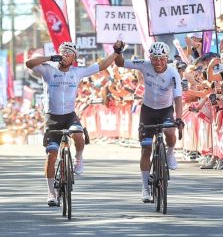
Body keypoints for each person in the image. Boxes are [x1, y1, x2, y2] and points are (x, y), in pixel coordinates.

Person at [25, 41, 122, 206]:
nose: (65, 55)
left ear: (74, 58)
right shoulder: (48, 70)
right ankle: (51, 192)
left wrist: (115, 52)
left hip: (69, 115)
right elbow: (29, 63)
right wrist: (49, 57)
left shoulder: (77, 72)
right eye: (62, 52)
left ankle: (78, 158)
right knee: (51, 155)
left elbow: (102, 65)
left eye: (69, 53)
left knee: (78, 134)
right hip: (52, 118)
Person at [114, 42, 184, 202]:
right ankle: (145, 188)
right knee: (146, 149)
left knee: (170, 131)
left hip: (166, 109)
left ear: (167, 58)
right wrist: (118, 51)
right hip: (148, 111)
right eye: (154, 59)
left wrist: (179, 118)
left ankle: (170, 152)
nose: (158, 62)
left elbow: (178, 98)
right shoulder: (144, 65)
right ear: (149, 58)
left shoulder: (173, 73)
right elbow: (120, 63)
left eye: (161, 59)